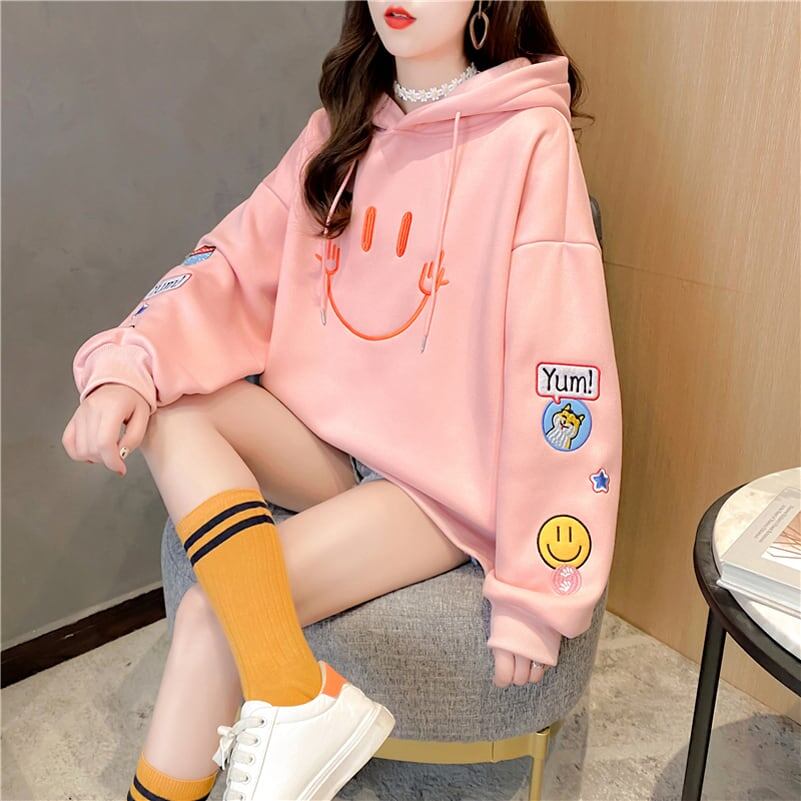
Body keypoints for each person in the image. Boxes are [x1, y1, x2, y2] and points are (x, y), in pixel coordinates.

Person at [61, 1, 623, 799]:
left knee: (215, 614)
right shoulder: (338, 131)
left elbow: (561, 358)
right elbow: (229, 265)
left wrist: (536, 590)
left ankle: (288, 697)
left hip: (431, 488)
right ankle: (296, 693)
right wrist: (127, 365)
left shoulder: (529, 140)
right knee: (169, 408)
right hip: (324, 448)